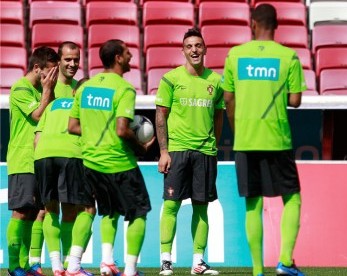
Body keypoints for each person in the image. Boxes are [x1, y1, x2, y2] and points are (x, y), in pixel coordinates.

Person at [222, 4, 306, 276]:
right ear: (277, 25)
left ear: (253, 24)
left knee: (252, 203)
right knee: (291, 199)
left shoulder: (235, 55)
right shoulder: (288, 56)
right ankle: (285, 261)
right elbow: (295, 100)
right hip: (277, 139)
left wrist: (237, 131)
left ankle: (258, 271)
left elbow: (228, 99)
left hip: (245, 140)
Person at [68, 39, 154, 276]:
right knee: (139, 213)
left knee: (108, 211)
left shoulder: (86, 87)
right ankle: (131, 270)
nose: (131, 57)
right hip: (118, 162)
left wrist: (95, 133)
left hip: (91, 163)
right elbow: (122, 130)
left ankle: (106, 262)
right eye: (127, 53)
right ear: (117, 57)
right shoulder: (124, 88)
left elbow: (73, 126)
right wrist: (142, 147)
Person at [155, 28, 223, 276]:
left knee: (201, 207)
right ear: (183, 50)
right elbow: (160, 117)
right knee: (171, 206)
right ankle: (166, 262)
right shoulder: (170, 79)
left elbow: (218, 116)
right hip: (177, 151)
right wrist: (164, 151)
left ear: (205, 49)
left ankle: (198, 262)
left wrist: (213, 145)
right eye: (189, 46)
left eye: (198, 45)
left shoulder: (216, 81)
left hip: (205, 152)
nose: (194, 50)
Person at [34, 41, 96, 276]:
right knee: (82, 209)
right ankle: (72, 265)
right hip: (70, 155)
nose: (72, 64)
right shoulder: (48, 89)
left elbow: (37, 137)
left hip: (42, 155)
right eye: (68, 59)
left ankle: (57, 266)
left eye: (76, 59)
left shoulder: (56, 102)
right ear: (58, 61)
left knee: (50, 210)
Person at [6, 46, 59, 276]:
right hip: (22, 158)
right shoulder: (21, 88)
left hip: (38, 159)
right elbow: (37, 115)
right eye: (49, 72)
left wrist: (49, 89)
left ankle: (25, 264)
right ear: (37, 68)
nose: (52, 78)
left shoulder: (40, 90)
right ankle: (13, 265)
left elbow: (53, 112)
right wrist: (48, 90)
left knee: (31, 214)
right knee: (20, 212)